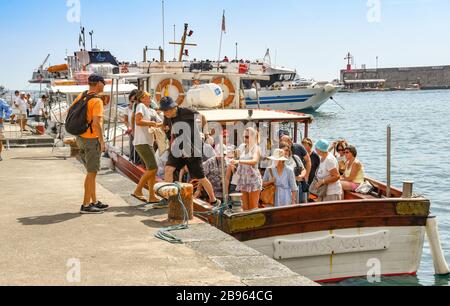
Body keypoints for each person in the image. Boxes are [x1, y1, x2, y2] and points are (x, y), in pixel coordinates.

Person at [160, 96, 221, 206]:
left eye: (168, 110)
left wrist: (204, 134)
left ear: (174, 107)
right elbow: (166, 127)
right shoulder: (167, 117)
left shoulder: (186, 112)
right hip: (177, 148)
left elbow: (202, 116)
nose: (166, 112)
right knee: (168, 169)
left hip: (193, 149)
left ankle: (214, 200)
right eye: (164, 111)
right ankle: (166, 198)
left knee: (201, 177)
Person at [72, 74, 111, 214]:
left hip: (80, 138)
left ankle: (94, 201)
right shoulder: (97, 101)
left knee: (91, 172)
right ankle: (85, 205)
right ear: (99, 83)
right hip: (91, 139)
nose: (104, 86)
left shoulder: (82, 95)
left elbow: (71, 112)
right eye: (104, 83)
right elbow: (97, 124)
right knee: (91, 172)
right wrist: (102, 141)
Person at [131, 91, 162, 204]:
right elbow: (138, 121)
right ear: (142, 98)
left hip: (148, 142)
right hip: (141, 141)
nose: (150, 99)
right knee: (153, 168)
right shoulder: (141, 106)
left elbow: (160, 122)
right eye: (149, 97)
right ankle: (138, 190)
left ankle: (151, 196)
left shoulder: (152, 111)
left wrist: (157, 124)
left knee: (152, 170)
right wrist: (153, 124)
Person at [230, 127, 263, 211]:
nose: (245, 139)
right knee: (244, 208)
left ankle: (254, 224)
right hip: (243, 179)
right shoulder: (242, 147)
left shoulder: (256, 148)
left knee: (253, 208)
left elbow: (254, 161)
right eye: (244, 136)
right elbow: (231, 154)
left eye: (247, 137)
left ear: (253, 137)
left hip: (253, 180)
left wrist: (239, 161)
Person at [124, 89, 141, 165]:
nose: (133, 103)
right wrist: (129, 127)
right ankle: (134, 163)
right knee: (133, 150)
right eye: (132, 101)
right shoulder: (127, 109)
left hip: (141, 132)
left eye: (135, 101)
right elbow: (125, 120)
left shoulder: (141, 108)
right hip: (133, 132)